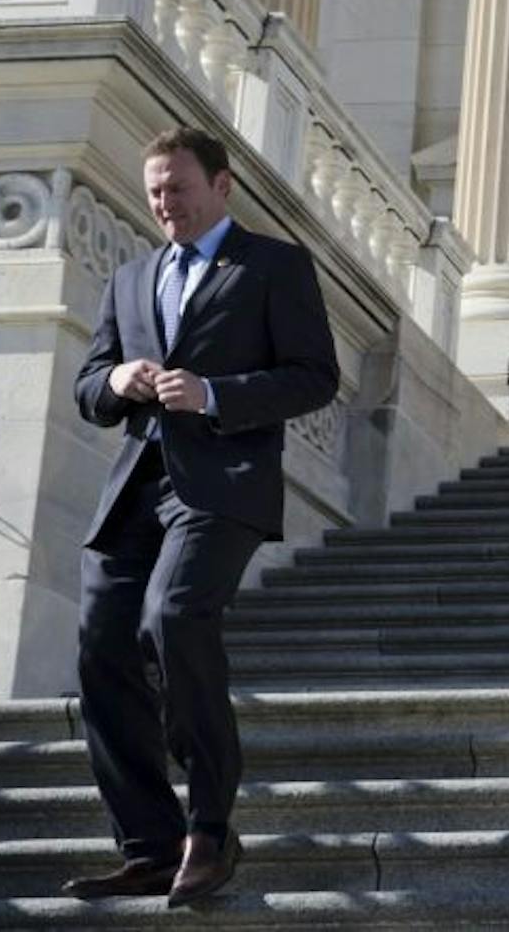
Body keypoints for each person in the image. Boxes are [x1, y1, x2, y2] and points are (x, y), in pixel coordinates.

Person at [65, 128, 339, 905]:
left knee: (173, 615)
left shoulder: (275, 266)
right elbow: (88, 389)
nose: (163, 204)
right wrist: (119, 377)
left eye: (177, 189)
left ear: (221, 187)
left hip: (224, 484)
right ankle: (149, 844)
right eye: (154, 192)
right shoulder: (130, 277)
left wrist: (217, 395)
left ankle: (211, 827)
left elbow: (315, 376)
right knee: (101, 647)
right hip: (135, 488)